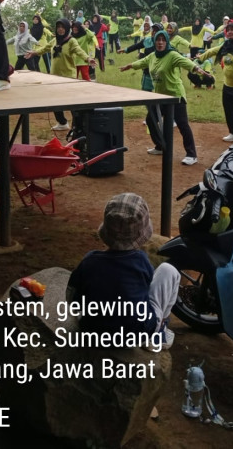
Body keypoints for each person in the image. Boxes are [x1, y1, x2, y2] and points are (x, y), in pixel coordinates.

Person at [67, 193, 179, 350]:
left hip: (93, 331)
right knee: (169, 270)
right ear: (142, 233)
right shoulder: (141, 261)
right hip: (136, 334)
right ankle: (158, 333)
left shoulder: (89, 261)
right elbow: (144, 292)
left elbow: (72, 300)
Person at [120, 30, 205, 165]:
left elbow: (185, 62)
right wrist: (129, 66)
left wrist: (197, 69)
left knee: (182, 124)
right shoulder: (153, 56)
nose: (160, 42)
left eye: (163, 40)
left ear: (167, 42)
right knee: (151, 120)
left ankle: (191, 154)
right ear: (154, 42)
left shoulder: (172, 55)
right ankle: (160, 146)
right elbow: (142, 62)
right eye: (158, 40)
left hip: (175, 96)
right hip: (160, 97)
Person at [29, 18, 96, 131]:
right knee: (55, 101)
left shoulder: (71, 41)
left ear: (67, 28)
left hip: (68, 77)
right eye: (58, 27)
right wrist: (34, 52)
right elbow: (45, 48)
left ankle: (78, 125)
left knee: (71, 102)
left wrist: (88, 59)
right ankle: (62, 122)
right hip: (54, 76)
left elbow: (79, 51)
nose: (60, 29)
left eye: (63, 27)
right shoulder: (54, 41)